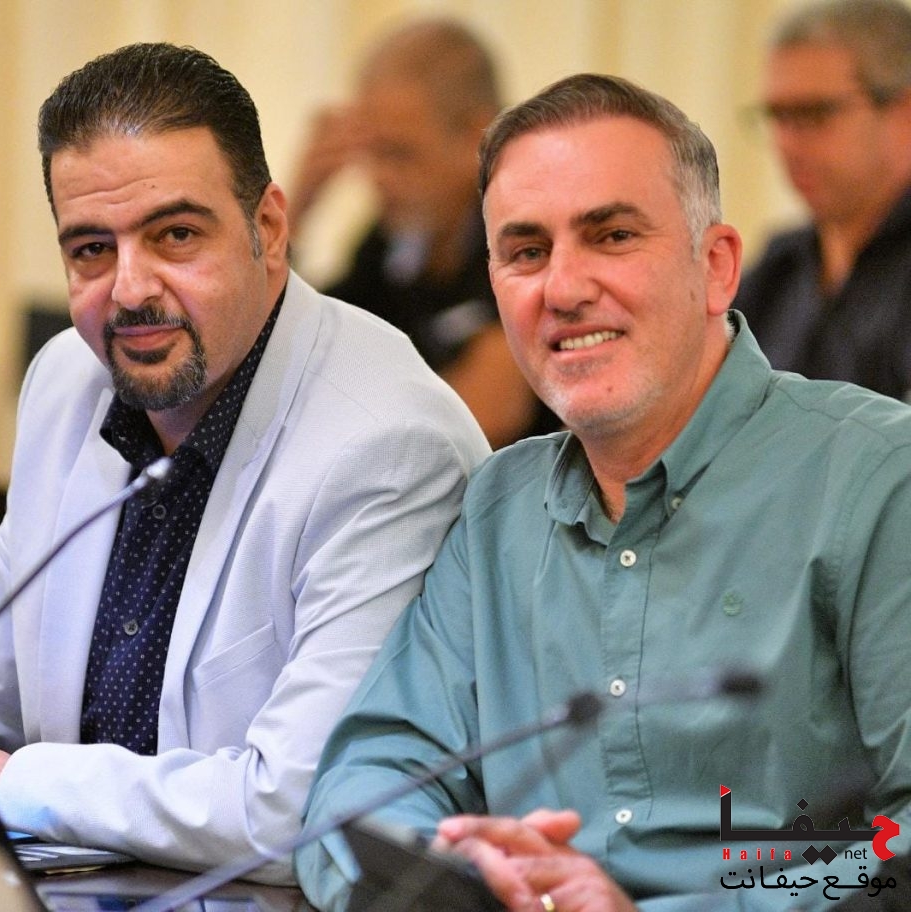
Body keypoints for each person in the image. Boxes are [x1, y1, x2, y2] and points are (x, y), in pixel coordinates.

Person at [295, 73, 911, 911]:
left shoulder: (877, 478)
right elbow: (364, 783)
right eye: (526, 252)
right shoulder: (497, 509)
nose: (563, 288)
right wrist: (457, 874)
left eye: (612, 236)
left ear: (717, 267)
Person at [0, 43, 490, 883]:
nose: (130, 289)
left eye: (175, 235)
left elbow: (299, 809)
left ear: (268, 229)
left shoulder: (387, 445)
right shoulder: (68, 381)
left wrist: (20, 781)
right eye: (91, 248)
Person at [290, 18, 557, 446]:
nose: (378, 178)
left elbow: (480, 420)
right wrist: (291, 216)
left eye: (399, 154)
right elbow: (298, 357)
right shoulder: (390, 243)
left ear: (477, 136)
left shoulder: (531, 241)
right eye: (370, 153)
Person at [734, 0, 911, 400]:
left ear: (904, 112)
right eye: (778, 116)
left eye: (815, 114)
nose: (787, 143)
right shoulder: (778, 268)